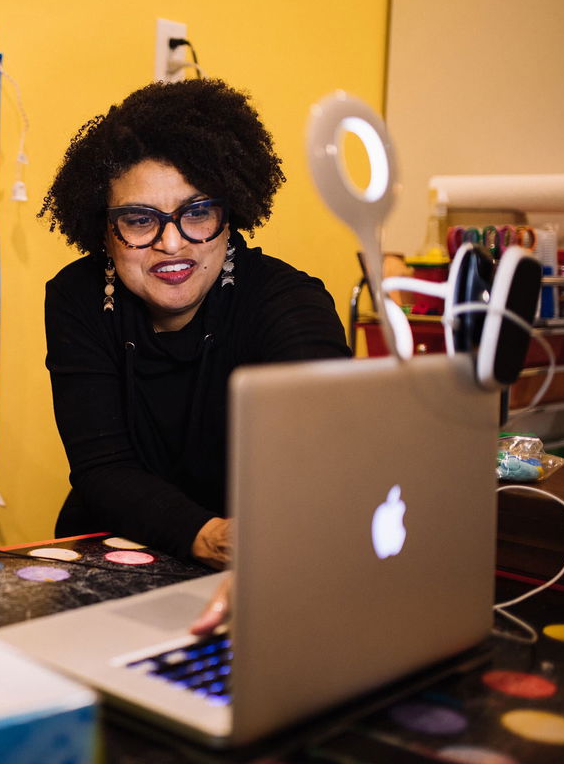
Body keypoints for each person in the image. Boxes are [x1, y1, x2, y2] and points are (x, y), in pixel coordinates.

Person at [39, 78, 350, 575]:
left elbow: (325, 451)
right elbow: (103, 470)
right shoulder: (77, 298)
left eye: (197, 212)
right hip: (112, 551)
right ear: (104, 230)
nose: (172, 244)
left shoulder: (288, 302)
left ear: (231, 217)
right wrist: (209, 537)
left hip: (259, 561)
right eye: (140, 220)